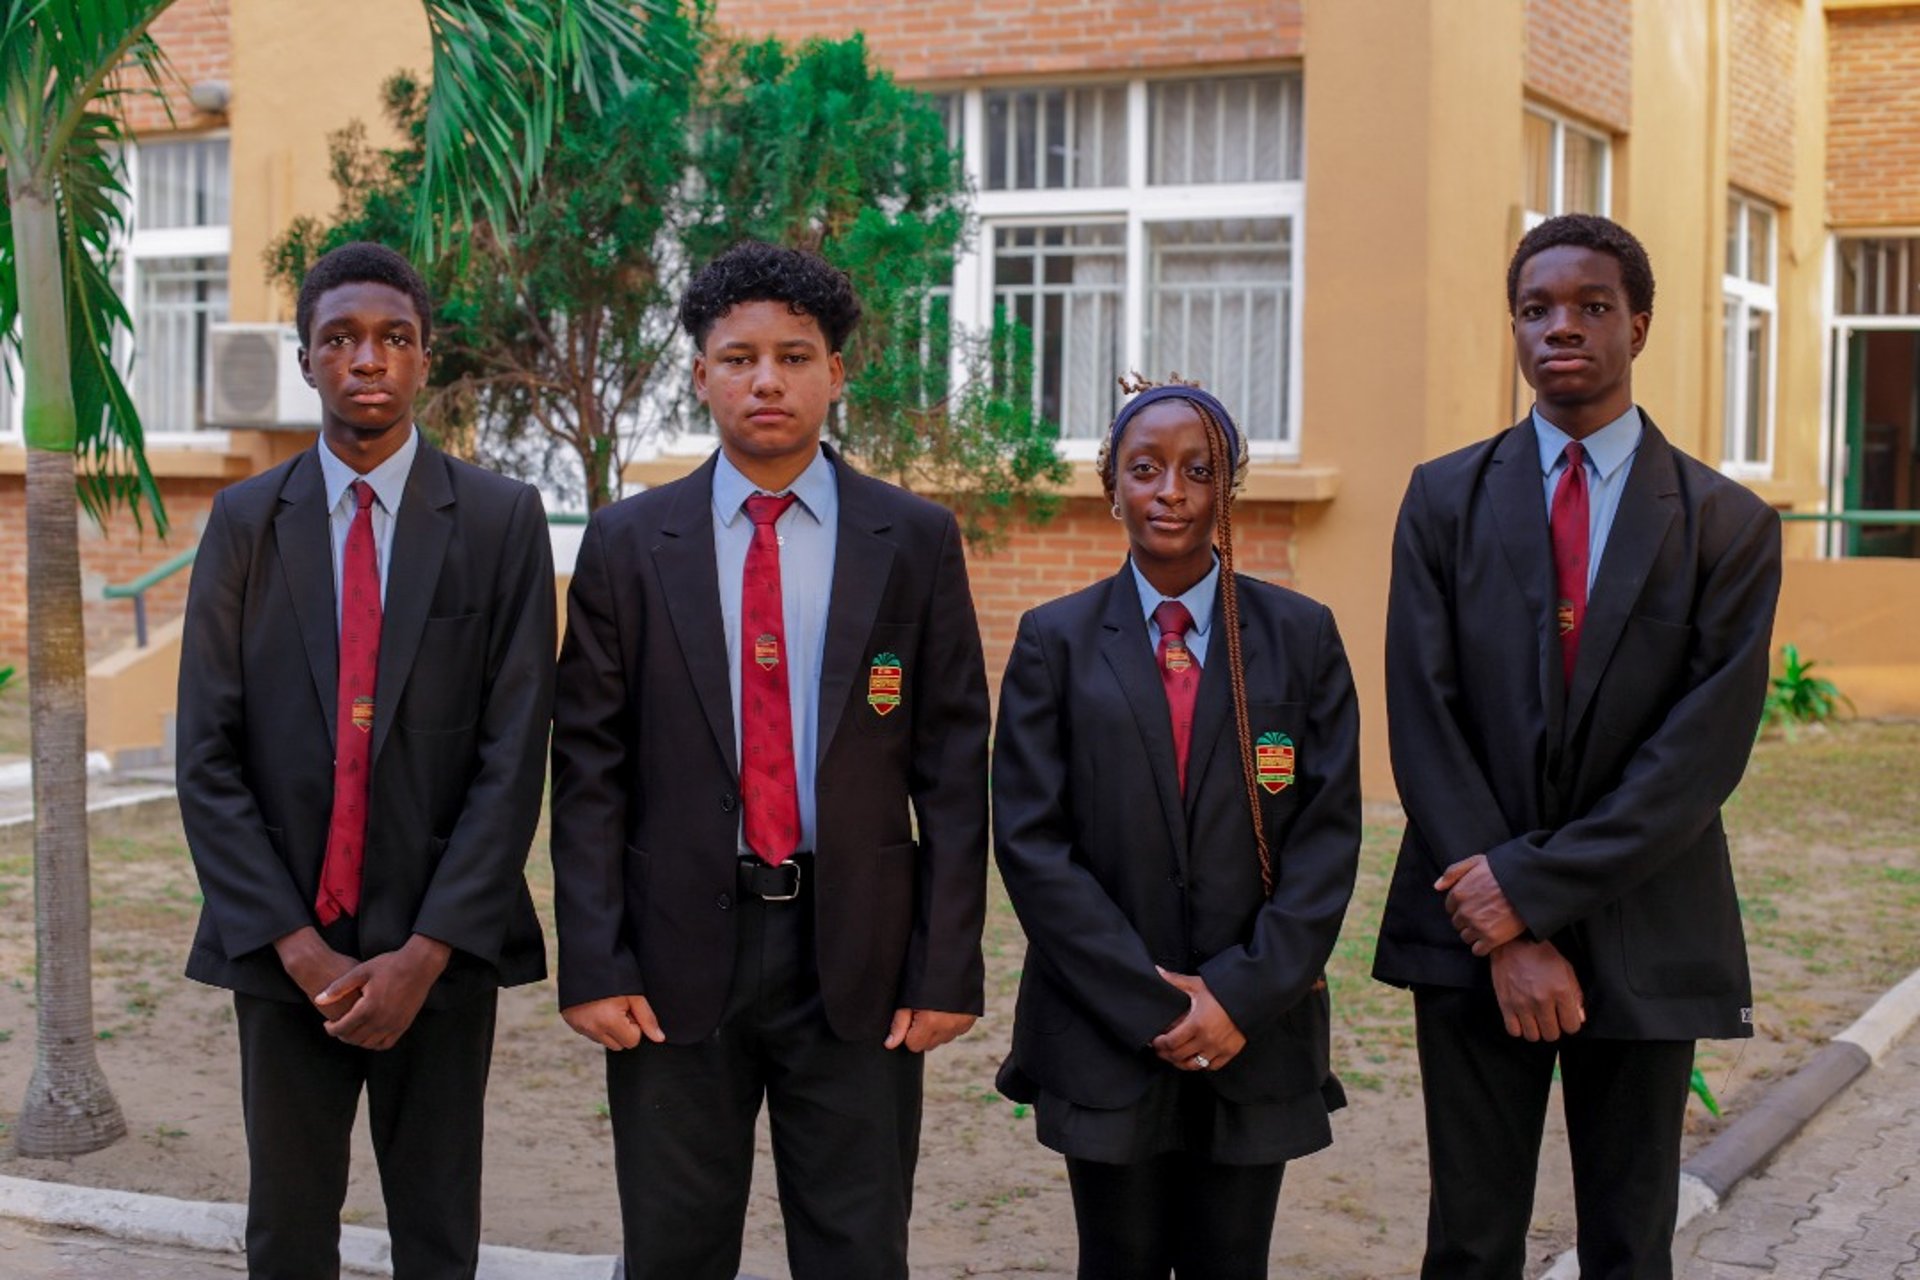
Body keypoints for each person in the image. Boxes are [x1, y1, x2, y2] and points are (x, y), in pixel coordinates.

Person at [549, 240, 990, 1280]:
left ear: (837, 372)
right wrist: (596, 959)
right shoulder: (626, 542)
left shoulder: (914, 539)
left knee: (855, 1246)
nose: (766, 379)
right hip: (670, 956)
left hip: (860, 956)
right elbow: (590, 770)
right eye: (739, 356)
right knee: (671, 1245)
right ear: (699, 373)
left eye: (795, 356)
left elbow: (955, 764)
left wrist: (945, 963)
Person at [1373, 214, 1783, 1279]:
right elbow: (1424, 712)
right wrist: (1503, 926)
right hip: (1469, 928)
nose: (1563, 326)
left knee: (1630, 1240)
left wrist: (1533, 894)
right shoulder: (1442, 500)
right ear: (1513, 328)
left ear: (1637, 325)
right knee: (1468, 1237)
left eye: (1592, 306)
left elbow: (1698, 753)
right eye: (1537, 308)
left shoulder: (1724, 524)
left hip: (1644, 920)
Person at [176, 241, 556, 1279]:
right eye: (339, 338)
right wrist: (299, 948)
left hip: (437, 948)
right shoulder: (248, 522)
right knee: (288, 1228)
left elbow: (513, 753)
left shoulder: (499, 518)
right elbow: (206, 755)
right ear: (306, 360)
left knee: (438, 1230)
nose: (367, 359)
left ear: (425, 357)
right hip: (285, 946)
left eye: (393, 337)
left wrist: (427, 949)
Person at [991, 377, 1362, 1279]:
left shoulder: (1300, 635)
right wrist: (1154, 1003)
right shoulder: (1055, 641)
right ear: (1109, 483)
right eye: (1146, 468)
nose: (1171, 491)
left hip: (1255, 1028)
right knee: (1115, 1257)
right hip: (1106, 1029)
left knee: (1232, 1260)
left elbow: (1327, 836)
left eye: (1199, 470)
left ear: (1228, 487)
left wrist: (1235, 995)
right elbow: (1032, 844)